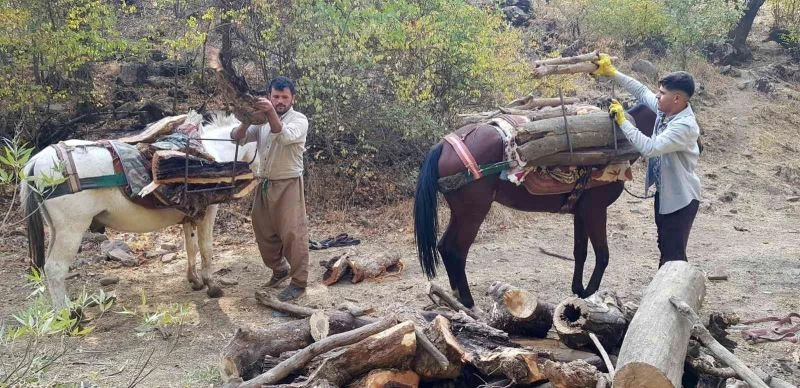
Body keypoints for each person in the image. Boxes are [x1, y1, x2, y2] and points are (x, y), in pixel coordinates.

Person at [592, 54, 702, 267]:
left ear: (677, 99)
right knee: (664, 246)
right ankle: (667, 285)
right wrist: (613, 73)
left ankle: (676, 287)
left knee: (673, 255)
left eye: (662, 93)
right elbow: (642, 92)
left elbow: (649, 149)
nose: (657, 97)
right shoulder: (666, 111)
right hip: (666, 194)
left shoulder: (684, 126)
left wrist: (623, 121)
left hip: (681, 199)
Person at [230, 76, 310, 301]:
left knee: (293, 233)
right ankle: (279, 269)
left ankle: (299, 282)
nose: (280, 101)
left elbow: (283, 135)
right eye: (276, 96)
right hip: (264, 183)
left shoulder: (299, 119)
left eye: (285, 97)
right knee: (263, 230)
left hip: (288, 183)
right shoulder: (262, 121)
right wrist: (247, 118)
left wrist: (269, 112)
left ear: (293, 99)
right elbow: (236, 138)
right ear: (269, 96)